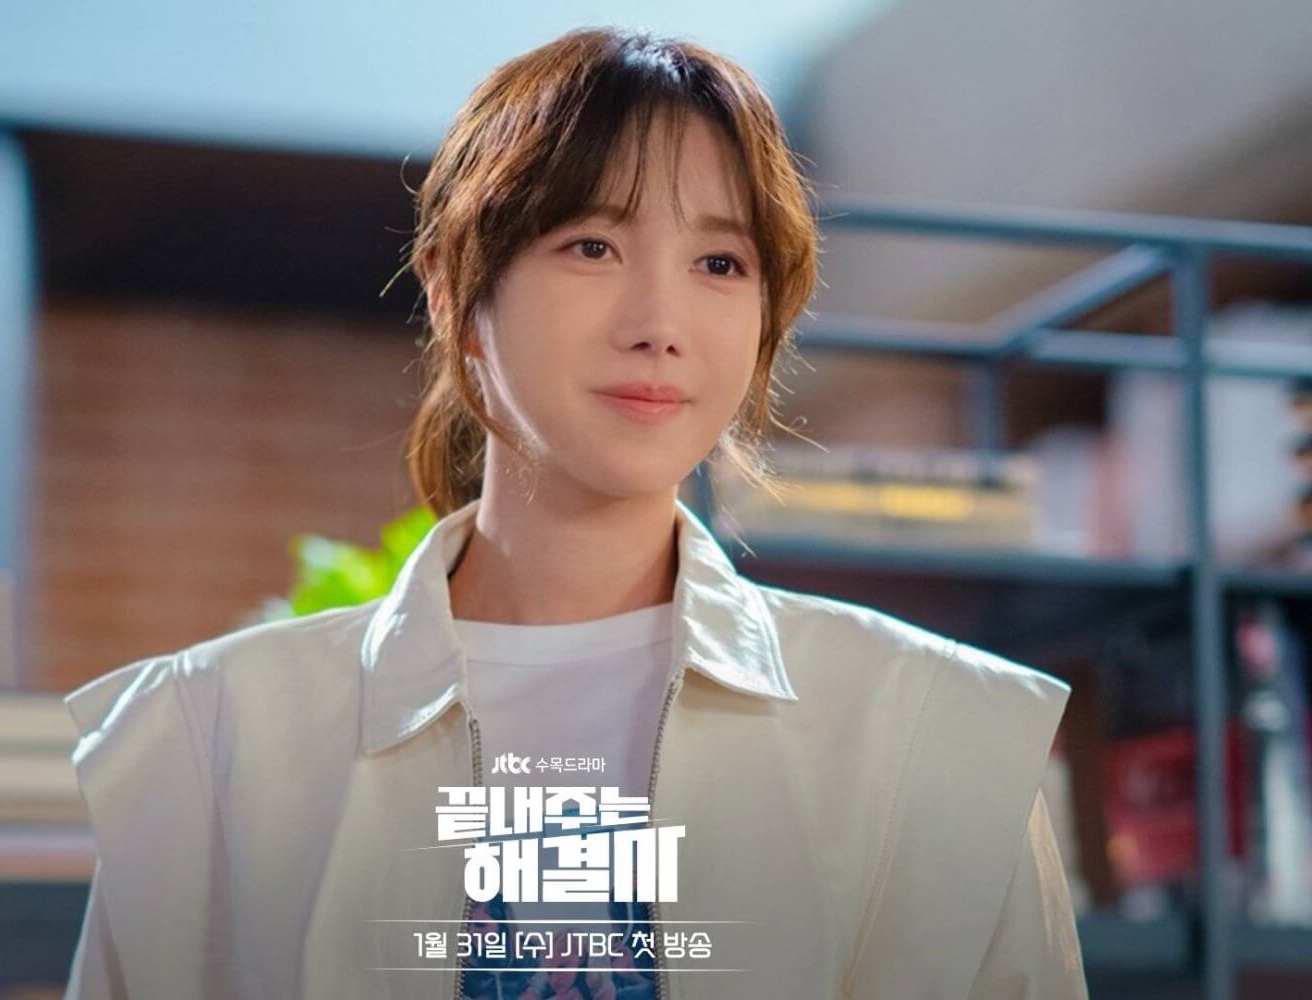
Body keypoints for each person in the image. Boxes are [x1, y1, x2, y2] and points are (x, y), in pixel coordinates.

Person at [62, 25, 1088, 1000]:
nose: (659, 325)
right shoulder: (208, 744)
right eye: (593, 246)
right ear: (454, 291)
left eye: (720, 264)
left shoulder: (936, 736)